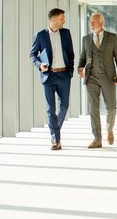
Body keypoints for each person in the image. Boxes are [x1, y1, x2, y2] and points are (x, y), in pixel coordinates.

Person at [30, 8, 75, 150]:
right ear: (53, 20)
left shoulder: (66, 33)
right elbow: (32, 54)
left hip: (64, 75)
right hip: (48, 76)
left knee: (64, 106)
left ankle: (55, 130)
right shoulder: (41, 35)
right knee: (51, 109)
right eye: (62, 19)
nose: (64, 21)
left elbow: (71, 54)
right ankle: (56, 139)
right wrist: (39, 64)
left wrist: (70, 72)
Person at [78, 12, 117, 148]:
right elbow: (83, 56)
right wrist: (80, 67)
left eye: (94, 21)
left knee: (111, 107)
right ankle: (97, 138)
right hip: (91, 77)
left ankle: (109, 130)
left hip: (108, 77)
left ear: (101, 23)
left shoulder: (112, 37)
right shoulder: (86, 39)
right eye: (90, 21)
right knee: (93, 108)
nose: (91, 24)